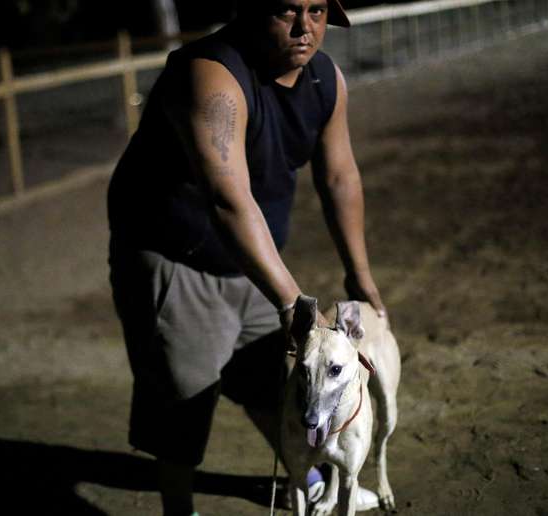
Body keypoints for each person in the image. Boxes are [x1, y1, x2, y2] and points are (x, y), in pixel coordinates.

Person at [107, 1, 386, 514]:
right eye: (287, 10)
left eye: (318, 10)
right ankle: (177, 508)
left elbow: (340, 176)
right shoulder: (210, 74)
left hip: (253, 256)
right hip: (176, 255)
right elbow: (226, 199)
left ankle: (314, 479)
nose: (306, 28)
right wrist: (289, 301)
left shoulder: (324, 78)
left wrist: (360, 274)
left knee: (277, 378)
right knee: (184, 397)